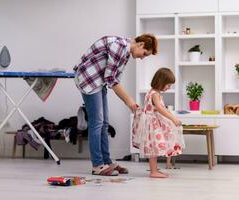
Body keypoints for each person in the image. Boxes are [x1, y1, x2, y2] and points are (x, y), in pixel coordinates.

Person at [73, 34, 158, 176]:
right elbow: (111, 79)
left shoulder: (125, 53)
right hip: (88, 80)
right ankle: (97, 165)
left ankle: (107, 162)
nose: (143, 57)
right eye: (144, 54)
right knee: (97, 122)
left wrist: (129, 102)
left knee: (104, 123)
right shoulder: (118, 46)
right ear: (141, 45)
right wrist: (129, 101)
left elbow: (115, 79)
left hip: (99, 82)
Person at [138, 67, 185, 178]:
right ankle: (153, 172)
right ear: (161, 82)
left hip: (152, 124)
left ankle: (154, 170)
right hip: (153, 125)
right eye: (168, 85)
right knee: (154, 149)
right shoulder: (155, 94)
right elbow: (160, 108)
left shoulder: (153, 92)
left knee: (154, 148)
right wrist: (173, 118)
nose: (169, 87)